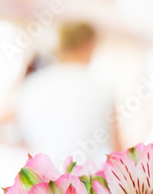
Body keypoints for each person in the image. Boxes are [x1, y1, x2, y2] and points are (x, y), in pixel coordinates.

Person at [14, 22, 120, 166]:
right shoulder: (102, 90)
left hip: (39, 180)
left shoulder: (32, 85)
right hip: (84, 182)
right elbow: (118, 151)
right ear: (86, 45)